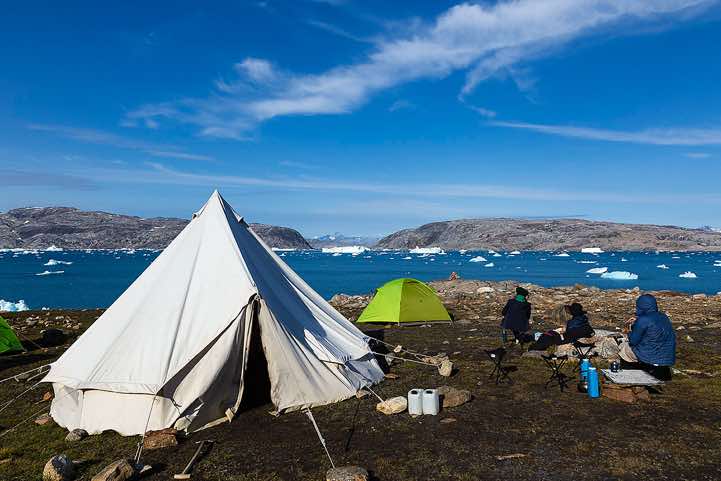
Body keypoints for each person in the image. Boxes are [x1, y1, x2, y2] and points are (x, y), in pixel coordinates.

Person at [618, 294, 675, 380]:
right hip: (667, 357)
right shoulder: (664, 317)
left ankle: (629, 375)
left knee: (624, 349)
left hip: (650, 356)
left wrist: (629, 329)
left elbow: (633, 341)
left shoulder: (643, 320)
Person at [528, 303, 595, 351]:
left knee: (548, 335)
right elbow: (591, 332)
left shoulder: (571, 323)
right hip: (575, 336)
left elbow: (569, 333)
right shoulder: (584, 319)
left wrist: (563, 331)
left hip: (566, 338)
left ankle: (534, 346)